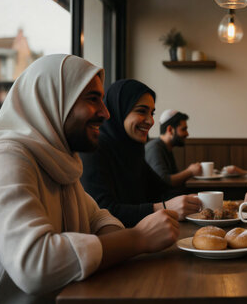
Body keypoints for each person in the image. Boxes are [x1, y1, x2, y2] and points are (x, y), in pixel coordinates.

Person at [0, 54, 180, 304]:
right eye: (93, 99)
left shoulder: (60, 158)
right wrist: (138, 239)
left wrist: (118, 240)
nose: (105, 113)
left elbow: (99, 216)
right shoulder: (8, 158)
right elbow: (36, 264)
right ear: (54, 99)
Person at [81, 80, 201, 227]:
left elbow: (161, 190)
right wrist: (162, 208)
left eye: (152, 113)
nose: (150, 121)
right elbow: (102, 212)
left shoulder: (132, 150)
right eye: (141, 111)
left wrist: (199, 202)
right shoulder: (93, 150)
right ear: (118, 110)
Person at [145, 109, 201, 187]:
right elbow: (163, 181)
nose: (187, 134)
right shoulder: (154, 148)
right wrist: (190, 171)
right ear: (170, 130)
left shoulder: (166, 147)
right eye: (183, 129)